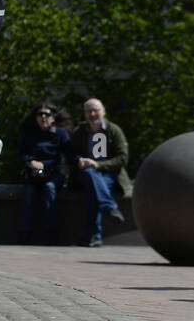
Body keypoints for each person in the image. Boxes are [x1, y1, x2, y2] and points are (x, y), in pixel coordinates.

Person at [67, 98, 131, 247]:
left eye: (96, 110)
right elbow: (70, 154)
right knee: (90, 176)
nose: (92, 114)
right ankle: (109, 207)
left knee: (93, 190)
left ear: (104, 111)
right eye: (89, 111)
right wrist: (80, 160)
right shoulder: (80, 132)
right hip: (85, 173)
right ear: (85, 114)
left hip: (109, 174)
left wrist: (99, 164)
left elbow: (123, 158)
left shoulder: (114, 130)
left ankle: (93, 236)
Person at [16, 102, 73, 244]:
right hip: (34, 173)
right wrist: (31, 162)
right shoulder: (28, 133)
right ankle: (25, 234)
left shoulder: (61, 133)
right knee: (29, 192)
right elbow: (22, 154)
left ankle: (52, 234)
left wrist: (45, 165)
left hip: (53, 173)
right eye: (39, 114)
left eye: (47, 114)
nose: (43, 117)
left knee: (49, 188)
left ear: (53, 117)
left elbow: (69, 154)